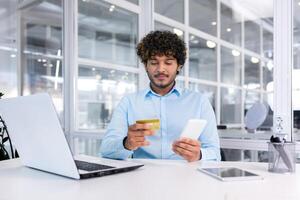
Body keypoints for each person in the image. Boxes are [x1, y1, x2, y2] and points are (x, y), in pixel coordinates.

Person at [100, 30, 220, 162]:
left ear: (179, 66)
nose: (161, 69)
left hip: (186, 178)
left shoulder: (199, 101)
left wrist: (199, 155)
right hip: (141, 178)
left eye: (168, 62)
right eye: (154, 62)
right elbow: (106, 149)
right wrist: (126, 143)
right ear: (146, 65)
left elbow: (215, 153)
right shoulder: (129, 102)